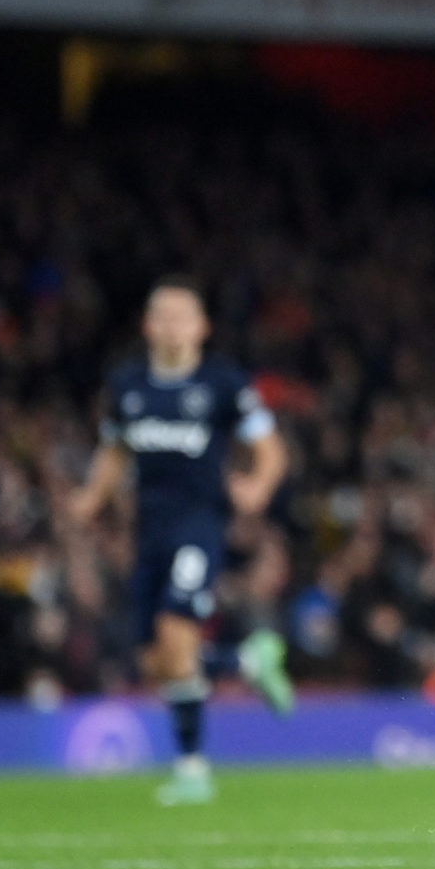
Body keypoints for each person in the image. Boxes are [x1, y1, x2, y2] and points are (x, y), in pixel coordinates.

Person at [69, 277, 292, 805]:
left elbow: (270, 448)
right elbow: (114, 450)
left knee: (176, 631)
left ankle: (193, 769)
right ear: (148, 326)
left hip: (200, 525)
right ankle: (246, 664)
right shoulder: (127, 385)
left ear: (201, 326)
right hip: (149, 530)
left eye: (181, 316)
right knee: (155, 663)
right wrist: (91, 497)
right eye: (161, 316)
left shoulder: (222, 383)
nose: (171, 326)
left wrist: (257, 487)